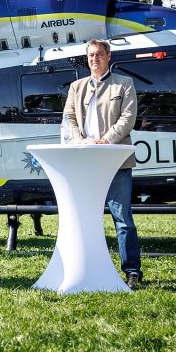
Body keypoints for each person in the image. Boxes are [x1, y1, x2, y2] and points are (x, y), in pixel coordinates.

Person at [62, 38, 142, 289]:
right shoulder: (76, 87)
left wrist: (106, 141)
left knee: (122, 219)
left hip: (115, 160)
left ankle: (132, 271)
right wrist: (80, 140)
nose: (94, 59)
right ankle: (89, 267)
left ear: (108, 56)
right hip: (84, 160)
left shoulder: (124, 84)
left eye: (98, 54)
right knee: (85, 217)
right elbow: (69, 117)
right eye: (90, 55)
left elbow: (128, 118)